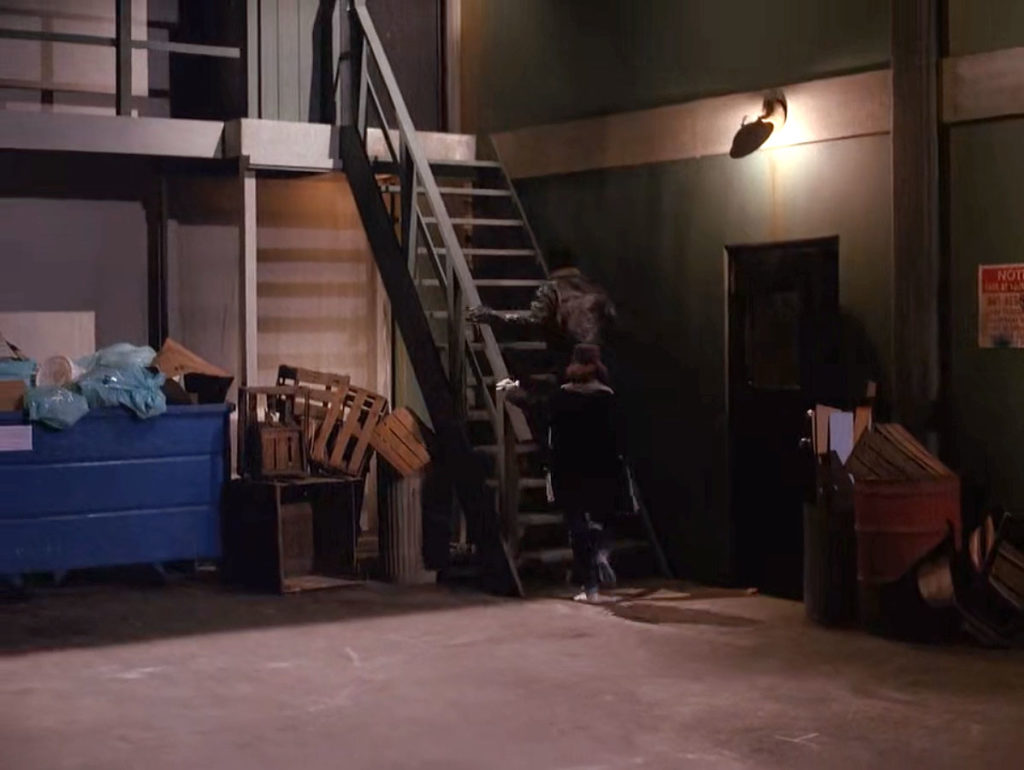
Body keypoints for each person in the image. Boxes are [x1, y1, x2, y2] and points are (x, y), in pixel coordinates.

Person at [466, 249, 617, 382]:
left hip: (567, 361)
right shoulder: (595, 288)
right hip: (600, 362)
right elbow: (611, 320)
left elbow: (533, 321)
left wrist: (495, 316)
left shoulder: (551, 289)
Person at [548, 344, 623, 603]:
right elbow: (617, 436)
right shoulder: (608, 396)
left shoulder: (561, 397)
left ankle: (590, 587)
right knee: (602, 518)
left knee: (576, 523)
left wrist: (513, 392)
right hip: (602, 466)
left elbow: (547, 425)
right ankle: (601, 551)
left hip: (569, 467)